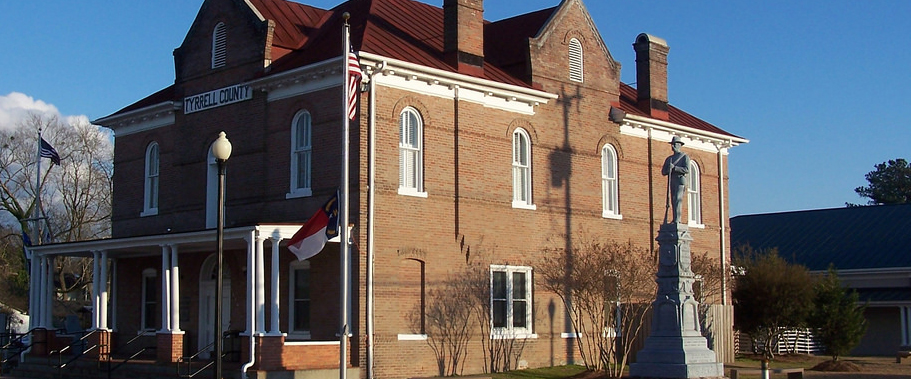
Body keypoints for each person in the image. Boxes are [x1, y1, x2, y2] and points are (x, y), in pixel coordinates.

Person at [662, 136, 690, 224]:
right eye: (672, 144)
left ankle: (678, 219)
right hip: (672, 181)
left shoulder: (684, 157)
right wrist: (668, 169)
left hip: (680, 180)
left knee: (678, 199)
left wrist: (675, 168)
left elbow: (687, 169)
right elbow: (663, 172)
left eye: (675, 144)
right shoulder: (669, 159)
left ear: (679, 145)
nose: (673, 146)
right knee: (673, 200)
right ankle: (674, 219)